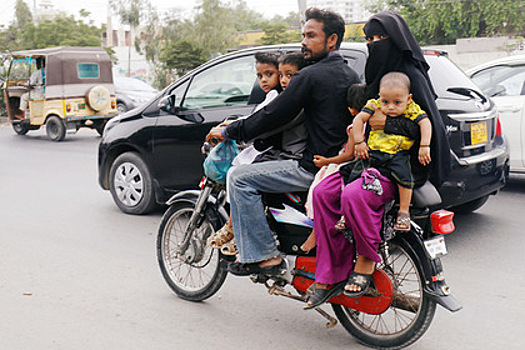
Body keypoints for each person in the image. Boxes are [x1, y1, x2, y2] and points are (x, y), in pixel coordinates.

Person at [305, 11, 451, 309]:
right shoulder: (377, 81)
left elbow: (428, 128)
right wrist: (359, 136)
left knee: (355, 194)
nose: (373, 45)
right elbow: (364, 117)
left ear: (395, 41)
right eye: (368, 39)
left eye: (379, 39)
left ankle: (366, 259)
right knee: (322, 192)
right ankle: (332, 271)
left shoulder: (410, 79)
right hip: (366, 163)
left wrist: (389, 126)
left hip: (399, 167)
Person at [206, 8, 360, 276]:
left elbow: (274, 115)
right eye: (303, 35)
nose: (303, 41)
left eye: (311, 35)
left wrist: (231, 131)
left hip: (313, 167)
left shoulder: (309, 76)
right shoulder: (349, 74)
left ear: (332, 40)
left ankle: (264, 256)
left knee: (240, 177)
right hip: (342, 164)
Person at [207, 52, 307, 256]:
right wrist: (234, 125)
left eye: (271, 74)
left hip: (289, 157)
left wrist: (231, 130)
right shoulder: (280, 96)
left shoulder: (289, 100)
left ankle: (253, 245)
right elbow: (258, 116)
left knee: (240, 177)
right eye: (281, 75)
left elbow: (263, 122)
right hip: (284, 153)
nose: (283, 80)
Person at [351, 72, 432, 231]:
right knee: (353, 176)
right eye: (385, 101)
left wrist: (424, 146)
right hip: (372, 152)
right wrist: (359, 142)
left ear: (408, 99)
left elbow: (425, 123)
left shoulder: (412, 108)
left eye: (397, 102)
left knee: (405, 179)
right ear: (379, 96)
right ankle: (345, 215)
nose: (390, 107)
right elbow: (358, 120)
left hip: (397, 154)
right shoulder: (373, 105)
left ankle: (403, 212)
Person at [301, 83, 368, 253]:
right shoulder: (372, 123)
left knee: (317, 188)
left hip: (344, 164)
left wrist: (326, 161)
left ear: (351, 108)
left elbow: (348, 155)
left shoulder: (356, 126)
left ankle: (316, 229)